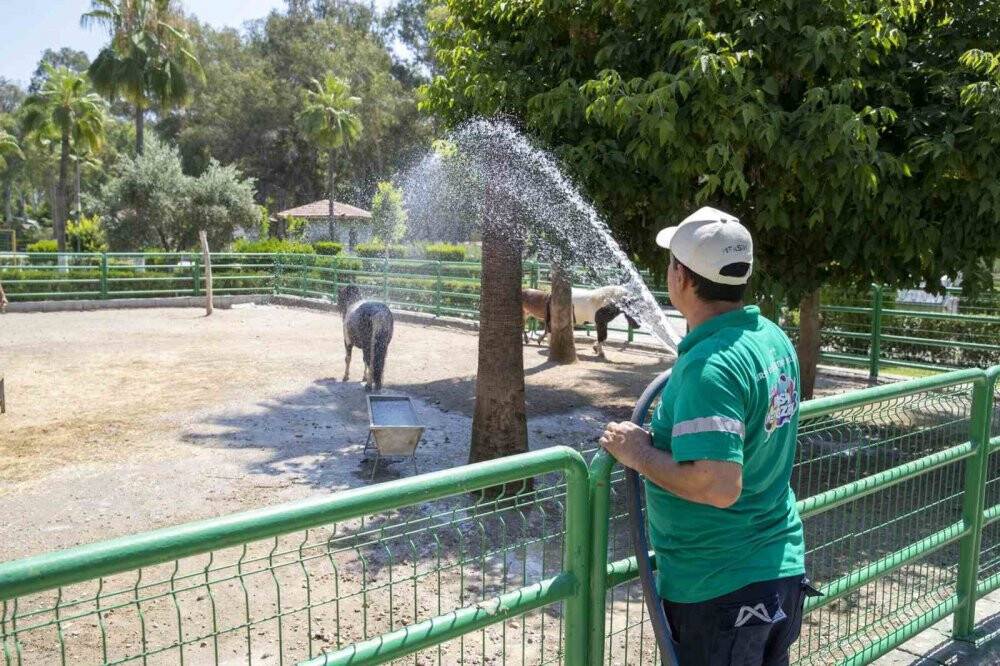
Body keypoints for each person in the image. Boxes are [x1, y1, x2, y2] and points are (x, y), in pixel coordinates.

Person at [600, 206, 817, 665]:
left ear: (681, 276)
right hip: (777, 570)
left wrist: (638, 453)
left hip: (721, 588)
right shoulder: (771, 339)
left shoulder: (709, 366)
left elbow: (718, 485)